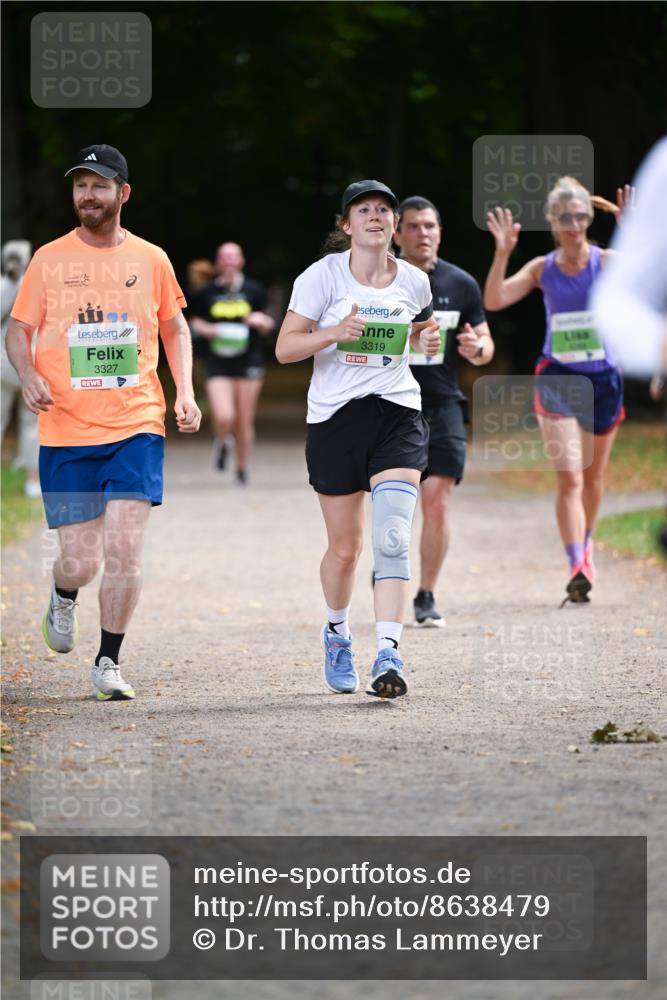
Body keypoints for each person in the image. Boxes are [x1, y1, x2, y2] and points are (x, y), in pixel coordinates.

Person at [5, 143, 201, 701]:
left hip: (136, 423)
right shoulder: (49, 259)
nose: (87, 196)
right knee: (81, 560)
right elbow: (17, 331)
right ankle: (63, 594)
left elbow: (176, 329)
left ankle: (108, 660)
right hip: (65, 430)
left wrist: (183, 391)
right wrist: (27, 373)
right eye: (80, 186)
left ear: (123, 193)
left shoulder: (151, 258)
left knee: (123, 546)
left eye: (98, 185)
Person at [276, 179, 441, 698]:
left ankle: (389, 652)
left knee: (392, 537)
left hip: (397, 414)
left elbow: (416, 335)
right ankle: (336, 632)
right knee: (345, 549)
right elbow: (285, 348)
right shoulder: (321, 279)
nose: (375, 216)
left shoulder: (414, 283)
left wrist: (424, 339)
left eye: (383, 210)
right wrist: (330, 334)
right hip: (335, 421)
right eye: (363, 210)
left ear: (394, 225)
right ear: (346, 225)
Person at [484, 175, 630, 605]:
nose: (574, 224)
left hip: (604, 379)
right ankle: (576, 565)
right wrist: (502, 254)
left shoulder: (606, 262)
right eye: (565, 217)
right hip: (558, 379)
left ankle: (586, 547)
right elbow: (494, 300)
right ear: (552, 221)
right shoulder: (540, 268)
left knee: (592, 477)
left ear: (590, 217)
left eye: (580, 216)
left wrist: (633, 232)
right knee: (568, 476)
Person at [393, 196, 494, 626]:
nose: (423, 234)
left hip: (443, 404)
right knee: (397, 503)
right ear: (397, 234)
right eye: (413, 227)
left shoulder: (461, 284)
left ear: (440, 231)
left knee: (437, 501)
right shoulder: (379, 282)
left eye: (430, 226)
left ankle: (426, 595)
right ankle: (389, 570)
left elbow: (485, 345)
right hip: (391, 405)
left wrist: (478, 349)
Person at [188, 242, 274, 484]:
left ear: (241, 261)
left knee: (244, 420)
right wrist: (208, 328)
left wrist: (261, 320)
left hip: (249, 360)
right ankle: (224, 440)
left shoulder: (254, 289)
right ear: (218, 262)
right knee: (225, 416)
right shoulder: (207, 292)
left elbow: (269, 323)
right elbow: (193, 321)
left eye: (233, 257)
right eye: (224, 257)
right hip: (218, 361)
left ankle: (241, 467)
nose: (229, 261)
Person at [1, 240, 41, 498]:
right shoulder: (36, 285)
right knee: (32, 423)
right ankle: (32, 480)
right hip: (31, 360)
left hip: (3, 360)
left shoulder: (3, 285)